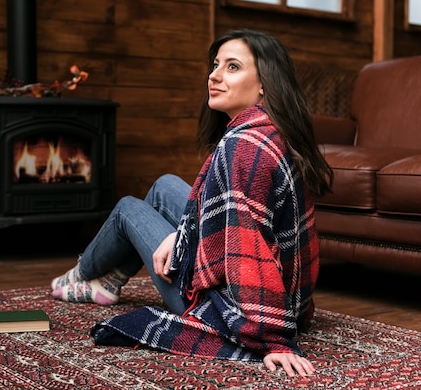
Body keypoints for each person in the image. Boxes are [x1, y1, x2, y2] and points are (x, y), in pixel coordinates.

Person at [50, 28, 333, 378]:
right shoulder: (271, 129)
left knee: (127, 208)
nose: (214, 76)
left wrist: (273, 340)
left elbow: (250, 247)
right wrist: (184, 236)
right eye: (215, 65)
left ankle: (85, 275)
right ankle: (109, 280)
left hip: (228, 307)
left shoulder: (241, 147)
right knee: (164, 185)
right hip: (294, 303)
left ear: (264, 85)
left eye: (232, 67)